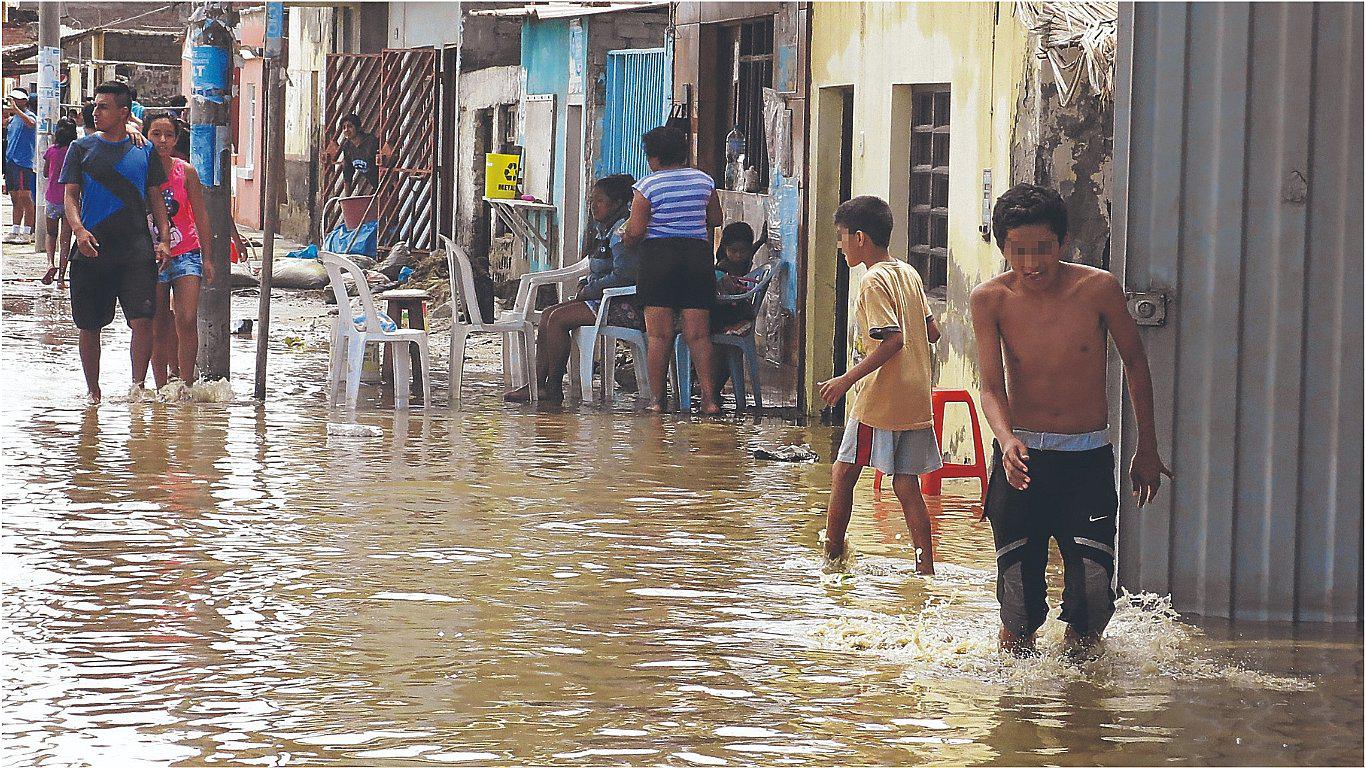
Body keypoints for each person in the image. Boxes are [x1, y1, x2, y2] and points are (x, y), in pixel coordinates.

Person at [970, 183, 1173, 658]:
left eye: (1042, 249)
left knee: (1093, 596)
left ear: (1063, 243)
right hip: (1022, 463)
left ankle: (1084, 716)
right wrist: (1006, 441)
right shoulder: (990, 299)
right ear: (1003, 248)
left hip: (1087, 461)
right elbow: (991, 388)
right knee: (1017, 605)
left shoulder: (1097, 288)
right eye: (1018, 252)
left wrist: (1148, 447)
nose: (1031, 263)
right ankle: (1015, 713)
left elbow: (1136, 367)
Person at [818, 196, 943, 575]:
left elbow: (893, 340)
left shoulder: (872, 281)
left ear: (860, 238)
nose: (840, 246)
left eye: (841, 238)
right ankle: (925, 570)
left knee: (843, 473)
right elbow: (932, 331)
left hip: (880, 398)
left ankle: (832, 558)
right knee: (906, 483)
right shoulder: (907, 272)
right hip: (916, 395)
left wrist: (845, 379)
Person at [61, 81, 173, 404]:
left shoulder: (144, 150)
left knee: (143, 320)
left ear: (124, 113)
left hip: (136, 249)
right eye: (95, 106)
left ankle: (137, 388)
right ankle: (93, 393)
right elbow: (70, 196)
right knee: (89, 324)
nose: (95, 112)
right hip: (92, 248)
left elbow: (156, 199)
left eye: (103, 107)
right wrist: (79, 231)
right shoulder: (80, 149)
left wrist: (164, 240)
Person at [506, 174, 641, 403]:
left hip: (622, 304)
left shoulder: (621, 233)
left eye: (599, 201)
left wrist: (590, 290)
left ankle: (553, 386)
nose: (593, 206)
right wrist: (585, 284)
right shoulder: (604, 230)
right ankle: (538, 383)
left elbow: (623, 276)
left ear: (617, 203)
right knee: (549, 314)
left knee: (558, 320)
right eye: (591, 200)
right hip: (600, 298)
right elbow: (595, 267)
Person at [622, 126, 723, 414]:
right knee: (699, 334)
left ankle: (656, 401)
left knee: (659, 335)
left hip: (658, 260)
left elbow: (636, 230)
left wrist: (627, 240)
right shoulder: (704, 181)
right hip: (696, 258)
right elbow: (714, 218)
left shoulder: (647, 187)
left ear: (654, 157)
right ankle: (709, 400)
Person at [145, 111, 214, 389]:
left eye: (169, 135)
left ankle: (186, 385)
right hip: (151, 256)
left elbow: (201, 216)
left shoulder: (185, 172)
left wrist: (208, 258)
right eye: (156, 134)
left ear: (176, 139)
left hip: (187, 252)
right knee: (158, 322)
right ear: (147, 136)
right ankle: (161, 386)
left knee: (186, 318)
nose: (162, 140)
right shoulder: (140, 169)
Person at [40, 118, 78, 286]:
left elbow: (46, 173)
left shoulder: (51, 151)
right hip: (69, 200)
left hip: (52, 198)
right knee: (65, 240)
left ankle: (50, 263)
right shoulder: (76, 151)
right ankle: (62, 277)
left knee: (51, 234)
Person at [3, 88, 38, 245]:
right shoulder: (13, 119)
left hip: (23, 162)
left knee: (25, 197)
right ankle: (15, 229)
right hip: (10, 162)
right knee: (15, 197)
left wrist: (16, 110)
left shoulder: (28, 116)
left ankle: (27, 231)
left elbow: (31, 123)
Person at [321, 113, 382, 194]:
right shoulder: (347, 146)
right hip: (375, 185)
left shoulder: (371, 142)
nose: (346, 130)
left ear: (358, 128)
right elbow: (347, 171)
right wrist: (347, 197)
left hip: (385, 182)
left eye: (350, 126)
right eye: (344, 127)